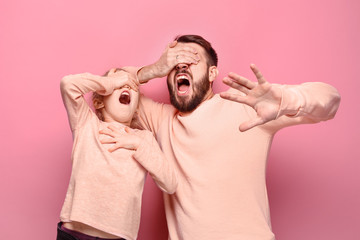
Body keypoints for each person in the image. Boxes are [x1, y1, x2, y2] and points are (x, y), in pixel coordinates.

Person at [104, 35, 341, 240]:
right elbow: (105, 87)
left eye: (192, 60)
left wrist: (283, 100)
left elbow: (330, 99)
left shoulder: (246, 104)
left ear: (211, 73)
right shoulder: (161, 118)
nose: (182, 66)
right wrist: (154, 69)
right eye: (175, 63)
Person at [58, 68, 178, 240]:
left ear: (136, 108)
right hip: (73, 233)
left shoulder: (143, 139)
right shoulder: (86, 124)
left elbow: (170, 183)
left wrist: (137, 145)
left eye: (132, 85)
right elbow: (68, 84)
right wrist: (111, 82)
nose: (126, 87)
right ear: (100, 102)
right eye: (121, 83)